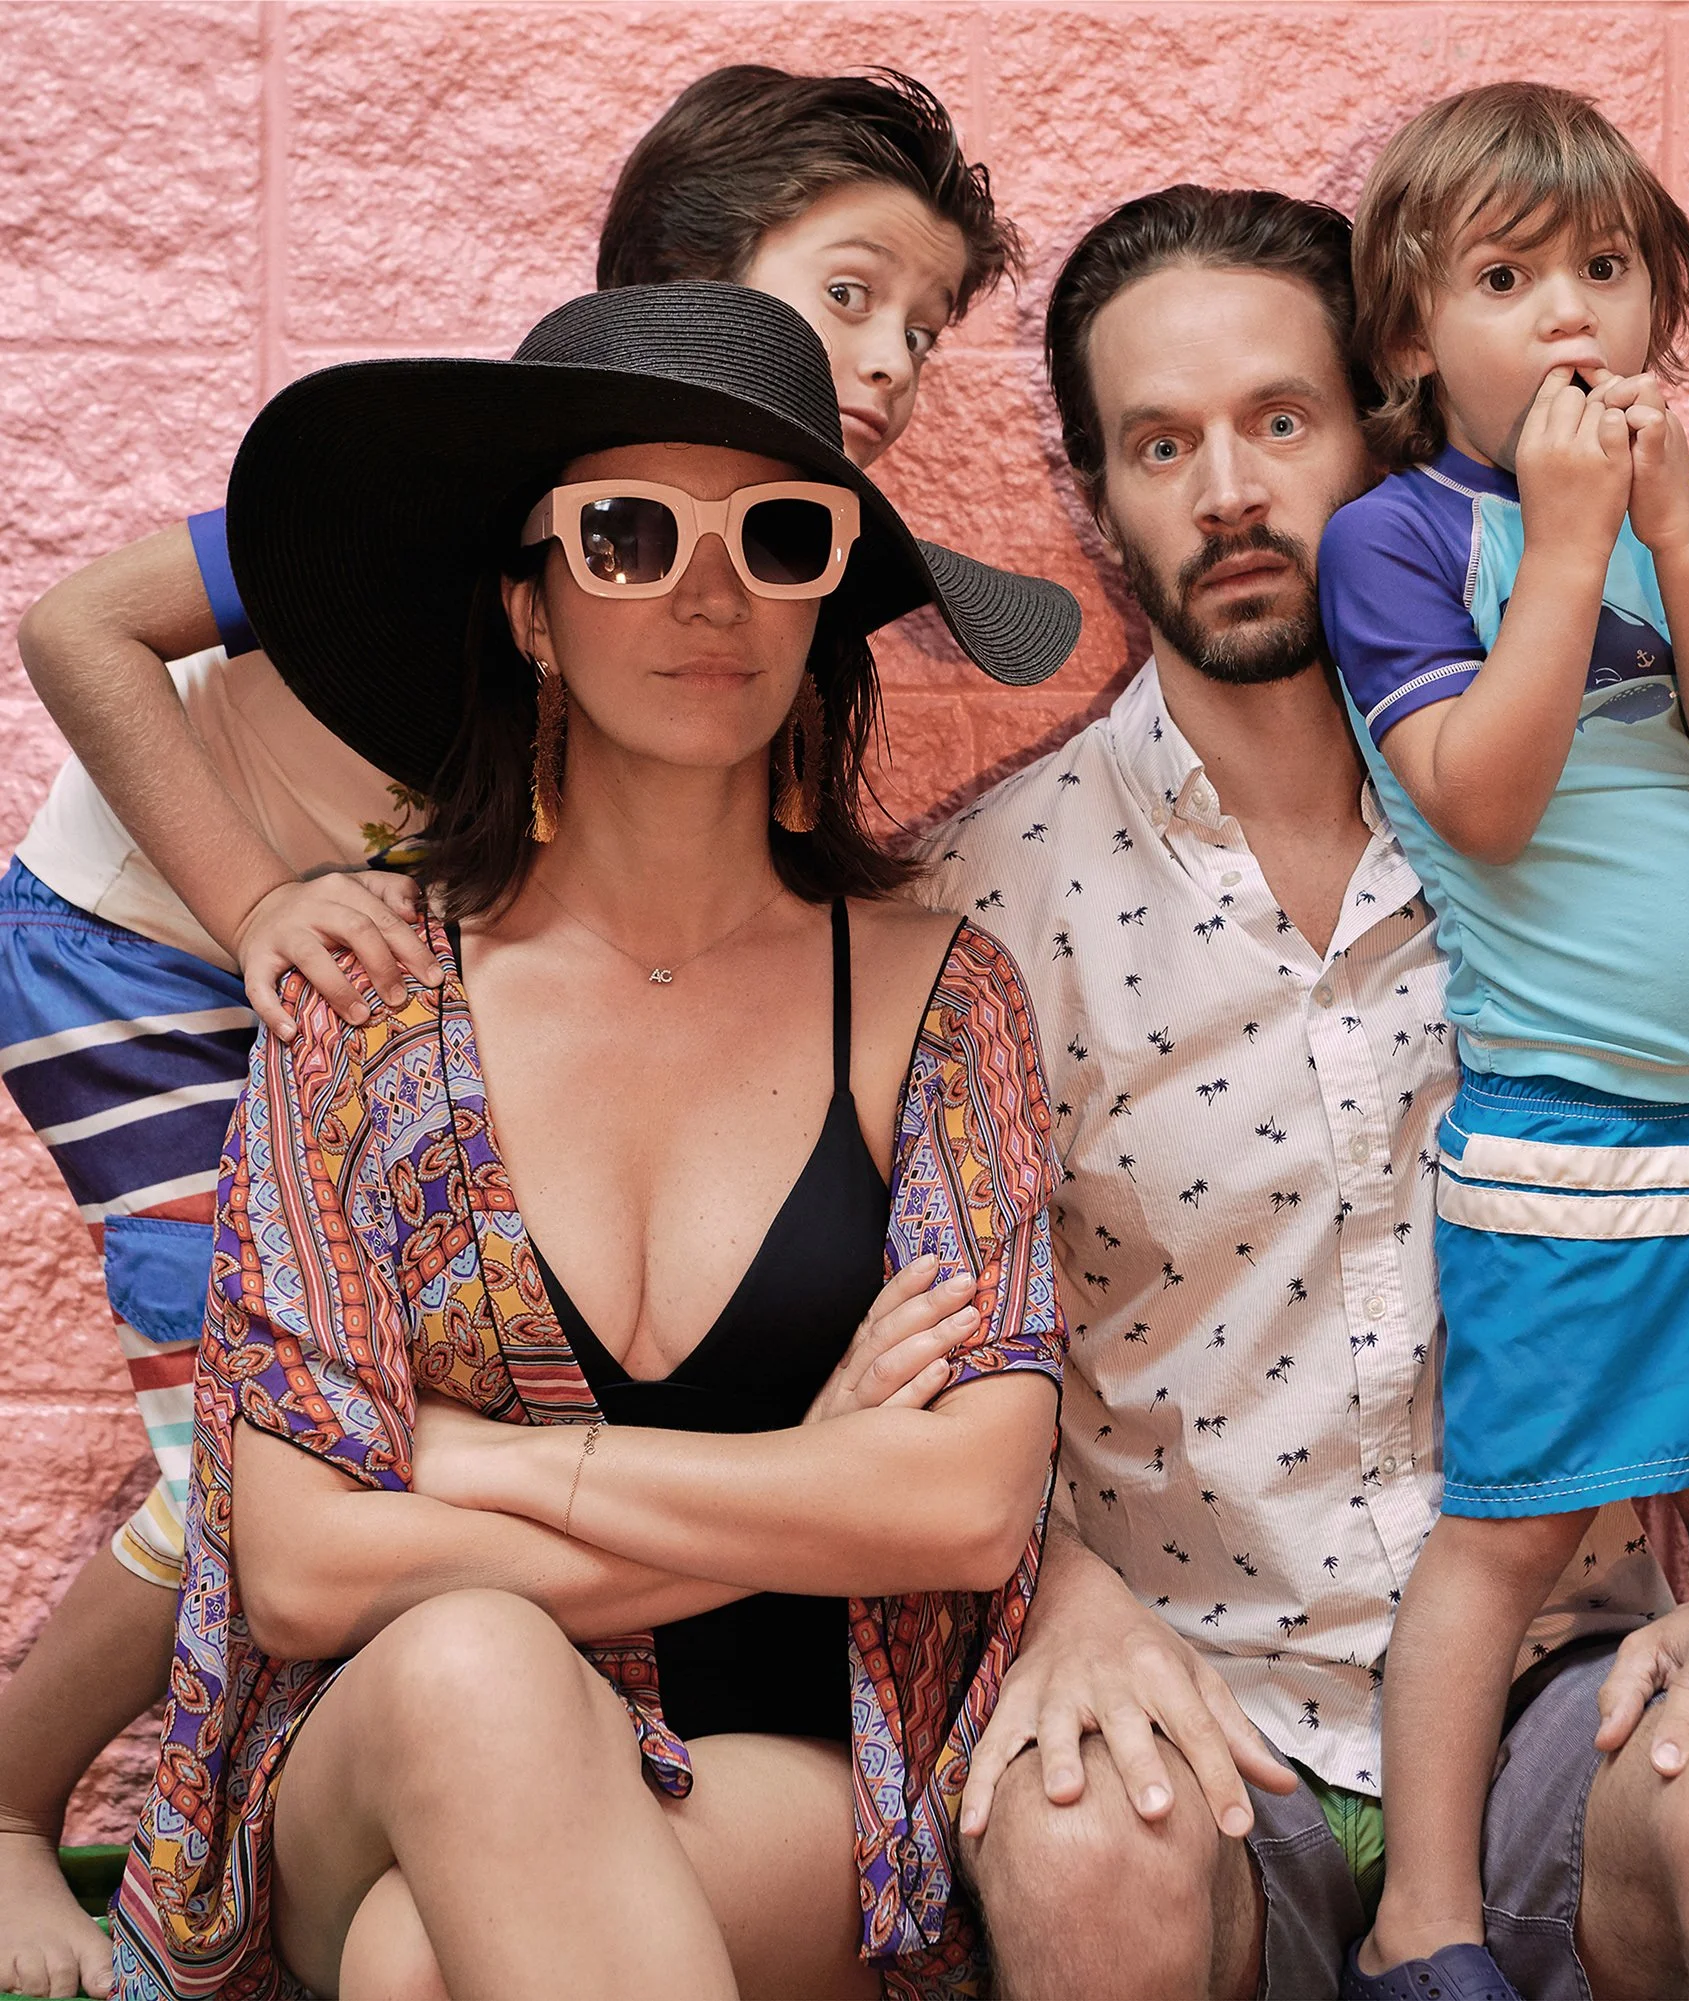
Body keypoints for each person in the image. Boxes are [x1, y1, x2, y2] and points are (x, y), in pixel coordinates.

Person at [0, 64, 1015, 1999]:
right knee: (230, 1457)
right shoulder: (424, 517)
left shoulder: (923, 994)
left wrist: (459, 1470)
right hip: (140, 945)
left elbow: (961, 1499)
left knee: (409, 1955)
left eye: (925, 326)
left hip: (650, 1775)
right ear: (533, 597)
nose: (890, 362)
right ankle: (3, 1800)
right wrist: (258, 912)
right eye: (851, 292)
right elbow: (78, 632)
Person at [918, 184, 1689, 2000]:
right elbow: (900, 1350)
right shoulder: (979, 907)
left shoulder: (1596, 818)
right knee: (1082, 1847)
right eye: (1160, 443)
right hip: (1210, 1715)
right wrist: (1066, 1602)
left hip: (1572, 1687)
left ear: (1384, 433)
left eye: (1279, 421)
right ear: (1098, 497)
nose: (1228, 490)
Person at [1315, 85, 1689, 2000]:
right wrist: (1568, 529)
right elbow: (1494, 799)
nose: (1568, 317)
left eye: (1604, 269)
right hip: (1573, 1129)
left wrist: (1673, 531)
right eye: (1508, 278)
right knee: (1511, 1535)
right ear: (1407, 342)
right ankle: (1425, 1915)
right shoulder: (1395, 540)